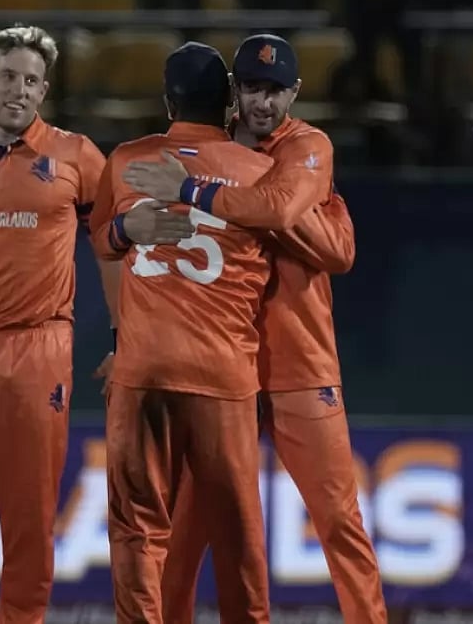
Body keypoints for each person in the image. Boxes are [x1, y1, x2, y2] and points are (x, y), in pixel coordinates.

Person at [125, 34, 387, 624]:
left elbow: (281, 213)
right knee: (186, 530)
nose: (262, 104)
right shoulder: (215, 149)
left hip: (300, 363)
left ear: (293, 92)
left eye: (275, 91)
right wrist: (310, 220)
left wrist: (211, 195)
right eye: (251, 89)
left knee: (339, 519)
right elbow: (321, 240)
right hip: (220, 367)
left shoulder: (308, 145)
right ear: (231, 95)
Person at [0, 24, 120, 624]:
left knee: (30, 520)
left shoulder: (78, 157)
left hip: (37, 352)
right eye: (8, 77)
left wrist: (127, 338)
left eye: (32, 81)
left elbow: (114, 247)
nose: (19, 91)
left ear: (45, 91)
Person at [88, 42, 276, 624]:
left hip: (142, 371)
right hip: (222, 375)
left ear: (167, 101)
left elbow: (102, 241)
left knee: (138, 529)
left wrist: (125, 227)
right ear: (229, 105)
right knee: (237, 536)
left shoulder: (125, 161)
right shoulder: (261, 171)